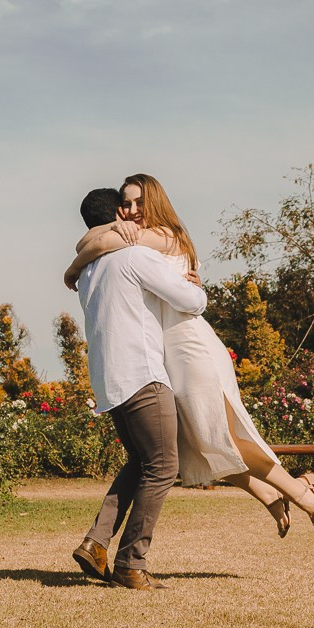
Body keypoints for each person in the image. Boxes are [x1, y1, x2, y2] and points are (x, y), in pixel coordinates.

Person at [65, 174, 314, 531]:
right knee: (197, 445)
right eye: (125, 204)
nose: (131, 210)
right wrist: (99, 239)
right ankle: (269, 495)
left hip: (189, 345)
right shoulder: (133, 239)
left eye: (139, 202)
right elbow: (94, 242)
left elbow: (91, 244)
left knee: (225, 436)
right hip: (165, 354)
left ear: (155, 201)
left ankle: (300, 490)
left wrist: (74, 267)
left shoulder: (161, 235)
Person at [69, 186, 209, 591]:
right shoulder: (133, 255)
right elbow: (189, 300)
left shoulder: (87, 272)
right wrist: (198, 286)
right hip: (143, 374)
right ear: (117, 213)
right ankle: (131, 562)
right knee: (164, 466)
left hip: (109, 382)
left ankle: (96, 542)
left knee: (140, 462)